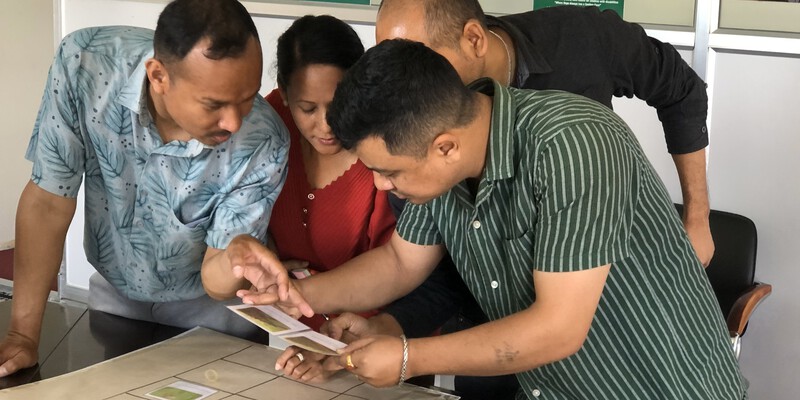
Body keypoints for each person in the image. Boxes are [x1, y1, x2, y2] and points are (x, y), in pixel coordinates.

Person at [229, 39, 748, 399]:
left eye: (388, 172)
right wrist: (297, 295)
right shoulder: (437, 165)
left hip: (660, 387)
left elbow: (558, 329)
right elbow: (398, 263)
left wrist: (408, 358)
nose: (381, 186)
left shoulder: (574, 144)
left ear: (445, 147)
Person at [0, 0, 289, 378]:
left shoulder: (263, 139)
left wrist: (234, 257)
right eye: (214, 104)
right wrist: (22, 334)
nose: (234, 122)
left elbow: (216, 280)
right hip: (115, 296)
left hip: (212, 316)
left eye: (247, 98)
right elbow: (48, 202)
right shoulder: (84, 65)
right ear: (158, 76)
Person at [375, 0, 714, 266]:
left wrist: (697, 217)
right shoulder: (406, 121)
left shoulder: (581, 38)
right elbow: (417, 262)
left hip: (606, 262)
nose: (402, 89)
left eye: (416, 64)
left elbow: (681, 89)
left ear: (473, 39)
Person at [262, 15, 396, 382]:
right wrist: (265, 255)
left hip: (375, 345)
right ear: (284, 94)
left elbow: (402, 273)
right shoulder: (269, 124)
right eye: (307, 109)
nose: (326, 125)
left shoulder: (387, 148)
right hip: (294, 343)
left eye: (338, 105)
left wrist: (335, 353)